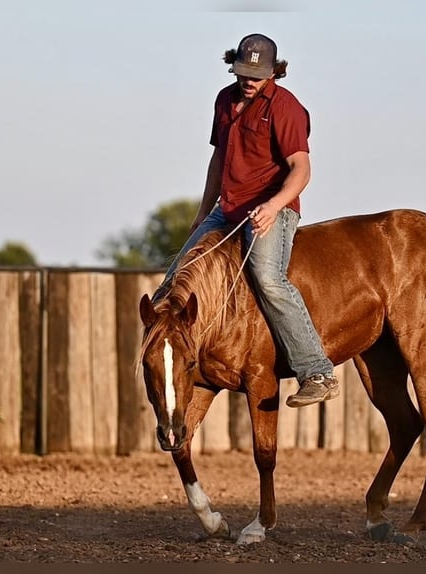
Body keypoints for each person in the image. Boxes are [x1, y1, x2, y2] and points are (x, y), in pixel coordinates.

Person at [153, 33, 338, 408]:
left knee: (269, 279)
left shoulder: (286, 108)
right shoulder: (224, 100)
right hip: (227, 207)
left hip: (273, 208)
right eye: (243, 72)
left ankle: (316, 370)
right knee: (173, 280)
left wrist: (273, 207)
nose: (248, 80)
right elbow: (219, 159)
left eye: (256, 74)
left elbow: (301, 170)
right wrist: (204, 212)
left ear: (273, 73)